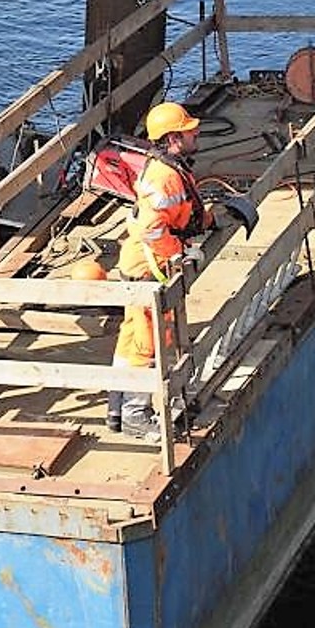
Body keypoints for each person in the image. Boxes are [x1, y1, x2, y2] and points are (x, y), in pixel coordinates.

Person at [108, 101, 214, 442]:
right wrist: (181, 251)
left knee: (131, 338)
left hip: (141, 264)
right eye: (188, 129)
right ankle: (136, 415)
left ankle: (116, 407)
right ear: (172, 138)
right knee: (148, 344)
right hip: (147, 270)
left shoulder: (169, 167)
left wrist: (209, 219)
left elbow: (177, 213)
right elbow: (153, 231)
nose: (195, 131)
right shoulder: (165, 175)